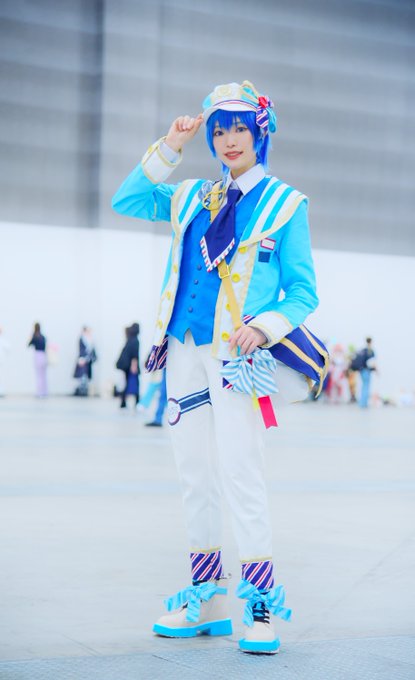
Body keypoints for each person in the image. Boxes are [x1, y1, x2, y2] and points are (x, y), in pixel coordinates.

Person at [112, 80, 319, 654]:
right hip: (181, 350)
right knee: (194, 475)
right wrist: (171, 146)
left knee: (241, 473)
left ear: (260, 133)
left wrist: (266, 326)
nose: (229, 140)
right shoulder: (192, 196)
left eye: (240, 129)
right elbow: (128, 199)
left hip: (237, 360)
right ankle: (207, 599)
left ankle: (260, 603)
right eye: (219, 130)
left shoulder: (286, 204)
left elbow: (304, 291)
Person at [116, 323, 140, 408]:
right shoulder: (136, 340)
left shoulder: (129, 339)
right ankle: (137, 402)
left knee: (126, 383)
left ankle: (123, 402)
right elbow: (134, 355)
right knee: (135, 383)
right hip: (130, 366)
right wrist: (134, 366)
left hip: (125, 366)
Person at [73, 326, 97, 396]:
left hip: (88, 360)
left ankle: (84, 390)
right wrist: (83, 358)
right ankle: (82, 390)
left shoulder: (90, 340)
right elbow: (82, 350)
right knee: (82, 375)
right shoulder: (82, 339)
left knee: (86, 375)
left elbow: (92, 350)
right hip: (82, 360)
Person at [353, 337, 376, 408]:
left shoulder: (363, 350)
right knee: (366, 386)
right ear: (371, 342)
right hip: (367, 371)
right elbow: (372, 362)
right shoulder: (370, 351)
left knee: (363, 386)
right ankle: (364, 403)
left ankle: (362, 403)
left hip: (361, 371)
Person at [28, 322, 48, 397]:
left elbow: (29, 344)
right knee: (43, 375)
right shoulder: (43, 337)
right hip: (44, 356)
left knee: (39, 375)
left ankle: (39, 392)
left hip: (37, 356)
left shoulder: (35, 337)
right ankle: (45, 391)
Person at [0, 326, 10, 396]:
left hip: (1, 361)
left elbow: (8, 348)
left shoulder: (3, 339)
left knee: (1, 376)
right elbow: (8, 348)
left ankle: (1, 391)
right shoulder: (3, 340)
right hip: (1, 360)